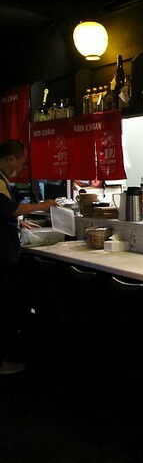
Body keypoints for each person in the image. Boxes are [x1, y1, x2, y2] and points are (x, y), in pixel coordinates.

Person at [0, 139, 59, 374]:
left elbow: (6, 212)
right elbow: (9, 208)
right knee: (3, 306)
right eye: (21, 163)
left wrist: (19, 222)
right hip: (2, 254)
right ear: (10, 159)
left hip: (6, 251)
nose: (22, 168)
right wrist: (42, 206)